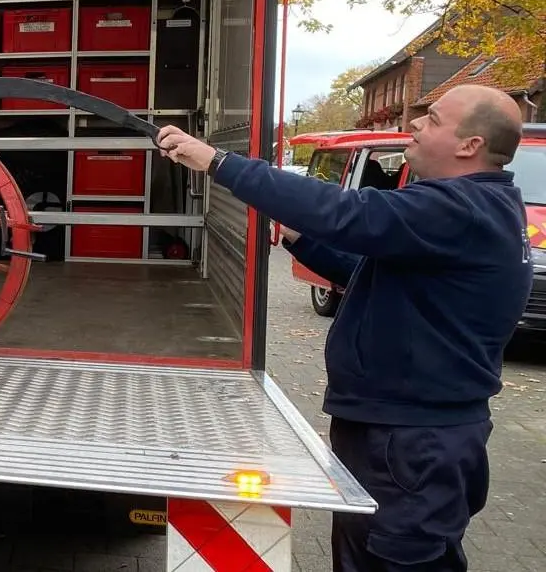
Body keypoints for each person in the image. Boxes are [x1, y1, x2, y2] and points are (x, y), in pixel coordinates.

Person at [155, 84, 531, 571]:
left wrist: (218, 163)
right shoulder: (471, 209)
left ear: (469, 145)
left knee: (395, 561)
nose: (415, 123)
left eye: (433, 119)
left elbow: (349, 214)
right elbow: (367, 270)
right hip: (404, 435)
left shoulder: (462, 208)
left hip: (413, 443)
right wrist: (296, 234)